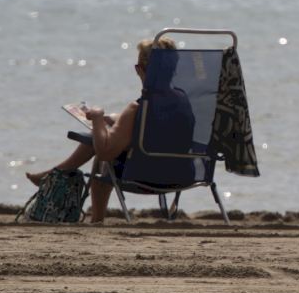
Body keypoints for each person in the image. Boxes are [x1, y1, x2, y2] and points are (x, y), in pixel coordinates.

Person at [25, 36, 190, 223]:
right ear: (173, 68)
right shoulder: (183, 101)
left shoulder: (136, 109)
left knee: (102, 156)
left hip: (144, 177)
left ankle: (95, 218)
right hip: (181, 175)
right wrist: (114, 119)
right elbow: (154, 126)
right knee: (106, 132)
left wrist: (97, 116)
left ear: (139, 70)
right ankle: (53, 172)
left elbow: (105, 152)